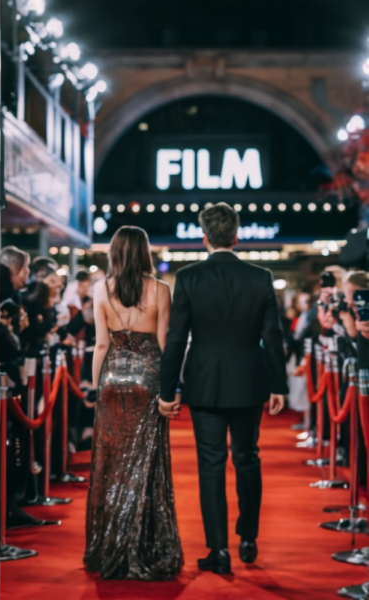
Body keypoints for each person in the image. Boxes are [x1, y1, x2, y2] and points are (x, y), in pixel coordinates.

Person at [159, 203, 288, 575]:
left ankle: (218, 550)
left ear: (204, 238)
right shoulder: (261, 276)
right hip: (249, 382)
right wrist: (278, 384)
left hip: (204, 383)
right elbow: (272, 336)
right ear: (236, 236)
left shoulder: (188, 278)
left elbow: (175, 340)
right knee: (247, 458)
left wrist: (167, 391)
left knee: (211, 466)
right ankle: (248, 537)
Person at [84, 226, 183, 580]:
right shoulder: (159, 289)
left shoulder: (100, 289)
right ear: (144, 252)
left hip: (111, 381)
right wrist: (171, 390)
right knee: (147, 466)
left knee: (111, 468)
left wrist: (98, 389)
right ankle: (144, 546)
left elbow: (100, 346)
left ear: (114, 253)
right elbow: (164, 344)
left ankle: (110, 547)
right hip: (148, 383)